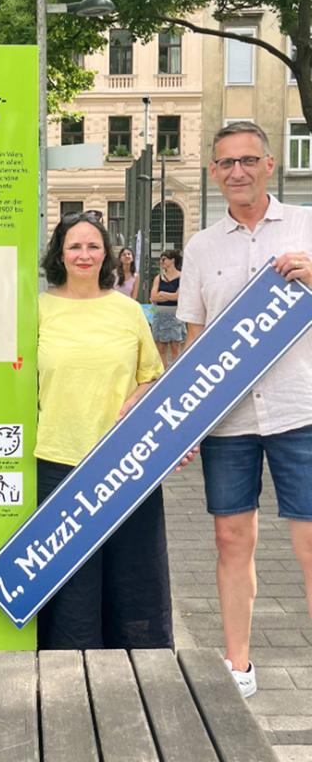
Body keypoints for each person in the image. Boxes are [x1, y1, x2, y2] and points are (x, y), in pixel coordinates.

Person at [177, 121, 312, 698]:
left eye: (248, 160)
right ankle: (239, 666)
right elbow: (196, 342)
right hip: (227, 422)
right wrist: (184, 423)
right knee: (231, 541)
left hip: (300, 410)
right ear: (214, 172)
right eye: (226, 163)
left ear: (270, 164)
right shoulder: (202, 246)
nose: (238, 172)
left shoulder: (308, 226)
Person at [34, 211, 173, 650]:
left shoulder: (128, 311)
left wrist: (143, 394)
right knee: (70, 580)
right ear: (59, 252)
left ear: (106, 255)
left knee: (130, 573)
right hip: (57, 460)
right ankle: (67, 669)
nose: (84, 254)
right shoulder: (37, 309)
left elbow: (152, 375)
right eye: (74, 246)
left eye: (93, 246)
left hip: (123, 463)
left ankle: (133, 670)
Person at [150, 249, 186, 366]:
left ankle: (176, 373)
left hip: (175, 315)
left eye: (164, 259)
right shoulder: (158, 278)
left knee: (176, 348)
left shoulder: (182, 277)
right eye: (160, 259)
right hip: (159, 315)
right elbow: (153, 297)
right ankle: (163, 373)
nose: (161, 261)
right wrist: (168, 296)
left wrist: (162, 294)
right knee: (161, 348)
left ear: (172, 260)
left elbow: (178, 296)